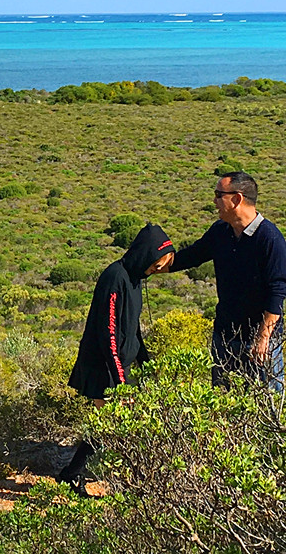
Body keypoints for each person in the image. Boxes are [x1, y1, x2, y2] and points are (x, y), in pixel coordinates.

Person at [57, 222, 175, 492]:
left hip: (121, 366)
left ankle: (75, 474)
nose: (156, 271)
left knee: (113, 425)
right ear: (145, 254)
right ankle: (75, 475)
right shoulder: (115, 277)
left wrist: (146, 362)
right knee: (109, 424)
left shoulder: (134, 279)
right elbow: (108, 331)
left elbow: (132, 327)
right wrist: (120, 380)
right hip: (105, 367)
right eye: (155, 265)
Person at [170, 171, 286, 390]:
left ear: (237, 199)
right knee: (223, 406)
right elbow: (191, 256)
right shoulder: (220, 232)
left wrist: (263, 338)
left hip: (259, 343)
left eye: (218, 194)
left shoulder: (270, 239)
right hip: (225, 338)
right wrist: (153, 264)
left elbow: (277, 291)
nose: (214, 201)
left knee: (264, 407)